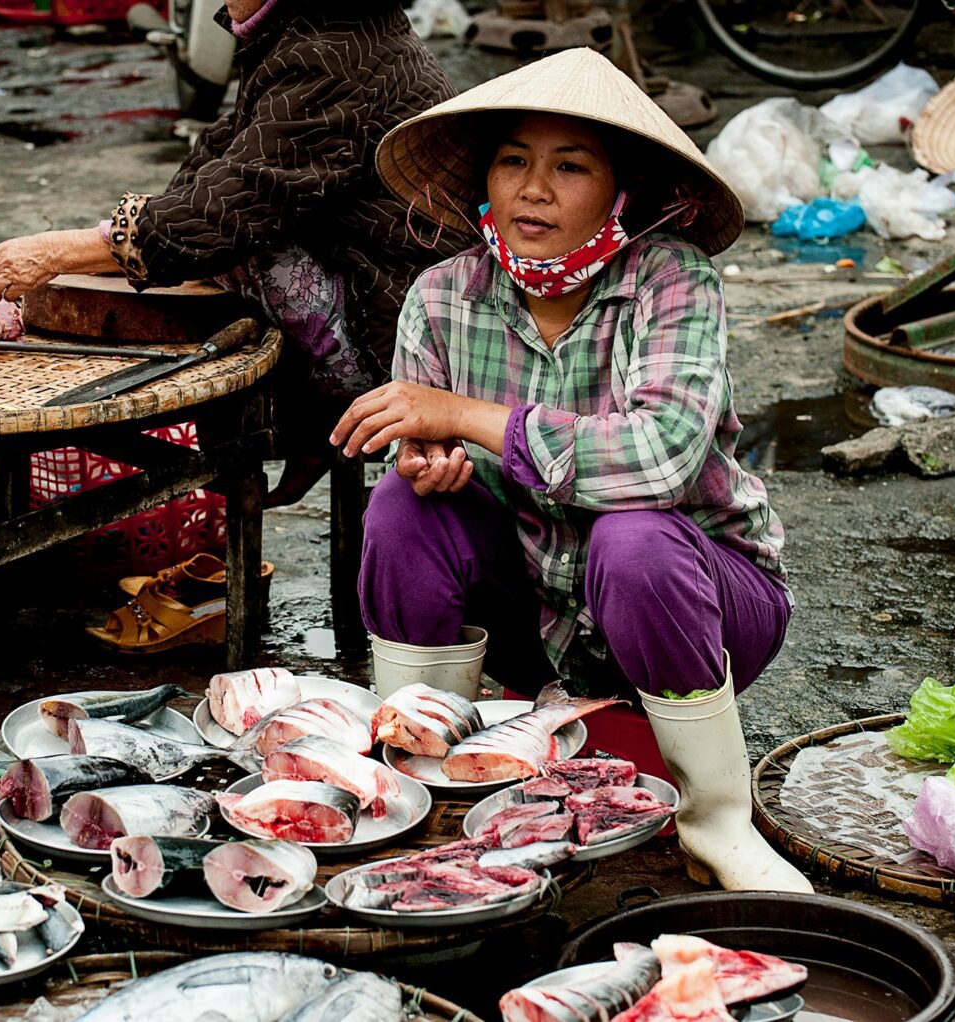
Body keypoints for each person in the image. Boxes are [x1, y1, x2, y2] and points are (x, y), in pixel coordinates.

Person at [332, 49, 811, 893]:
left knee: (631, 540)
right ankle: (419, 778)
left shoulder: (673, 282)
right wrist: (439, 466)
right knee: (400, 514)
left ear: (622, 191)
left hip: (700, 594)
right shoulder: (443, 296)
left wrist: (468, 419)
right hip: (536, 603)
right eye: (513, 160)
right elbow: (428, 460)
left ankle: (716, 823)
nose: (533, 189)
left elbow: (662, 456)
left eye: (571, 165)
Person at [0, 0, 470, 507]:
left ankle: (319, 418)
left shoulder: (333, 49)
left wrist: (67, 249)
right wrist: (134, 233)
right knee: (186, 248)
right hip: (386, 292)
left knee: (230, 250)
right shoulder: (307, 27)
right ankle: (307, 429)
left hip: (402, 343)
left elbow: (225, 214)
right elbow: (223, 157)